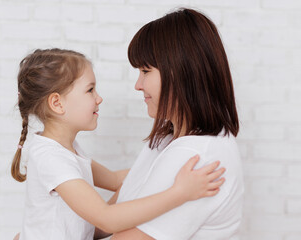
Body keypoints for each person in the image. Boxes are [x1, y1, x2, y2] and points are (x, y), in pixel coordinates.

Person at [11, 48, 226, 240]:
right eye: (90, 90)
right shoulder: (52, 159)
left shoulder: (68, 150)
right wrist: (180, 192)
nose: (99, 98)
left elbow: (117, 180)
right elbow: (106, 220)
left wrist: (167, 168)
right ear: (57, 103)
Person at [111, 8, 244, 240]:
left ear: (179, 72)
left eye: (145, 71)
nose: (138, 85)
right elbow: (110, 217)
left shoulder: (196, 157)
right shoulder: (166, 140)